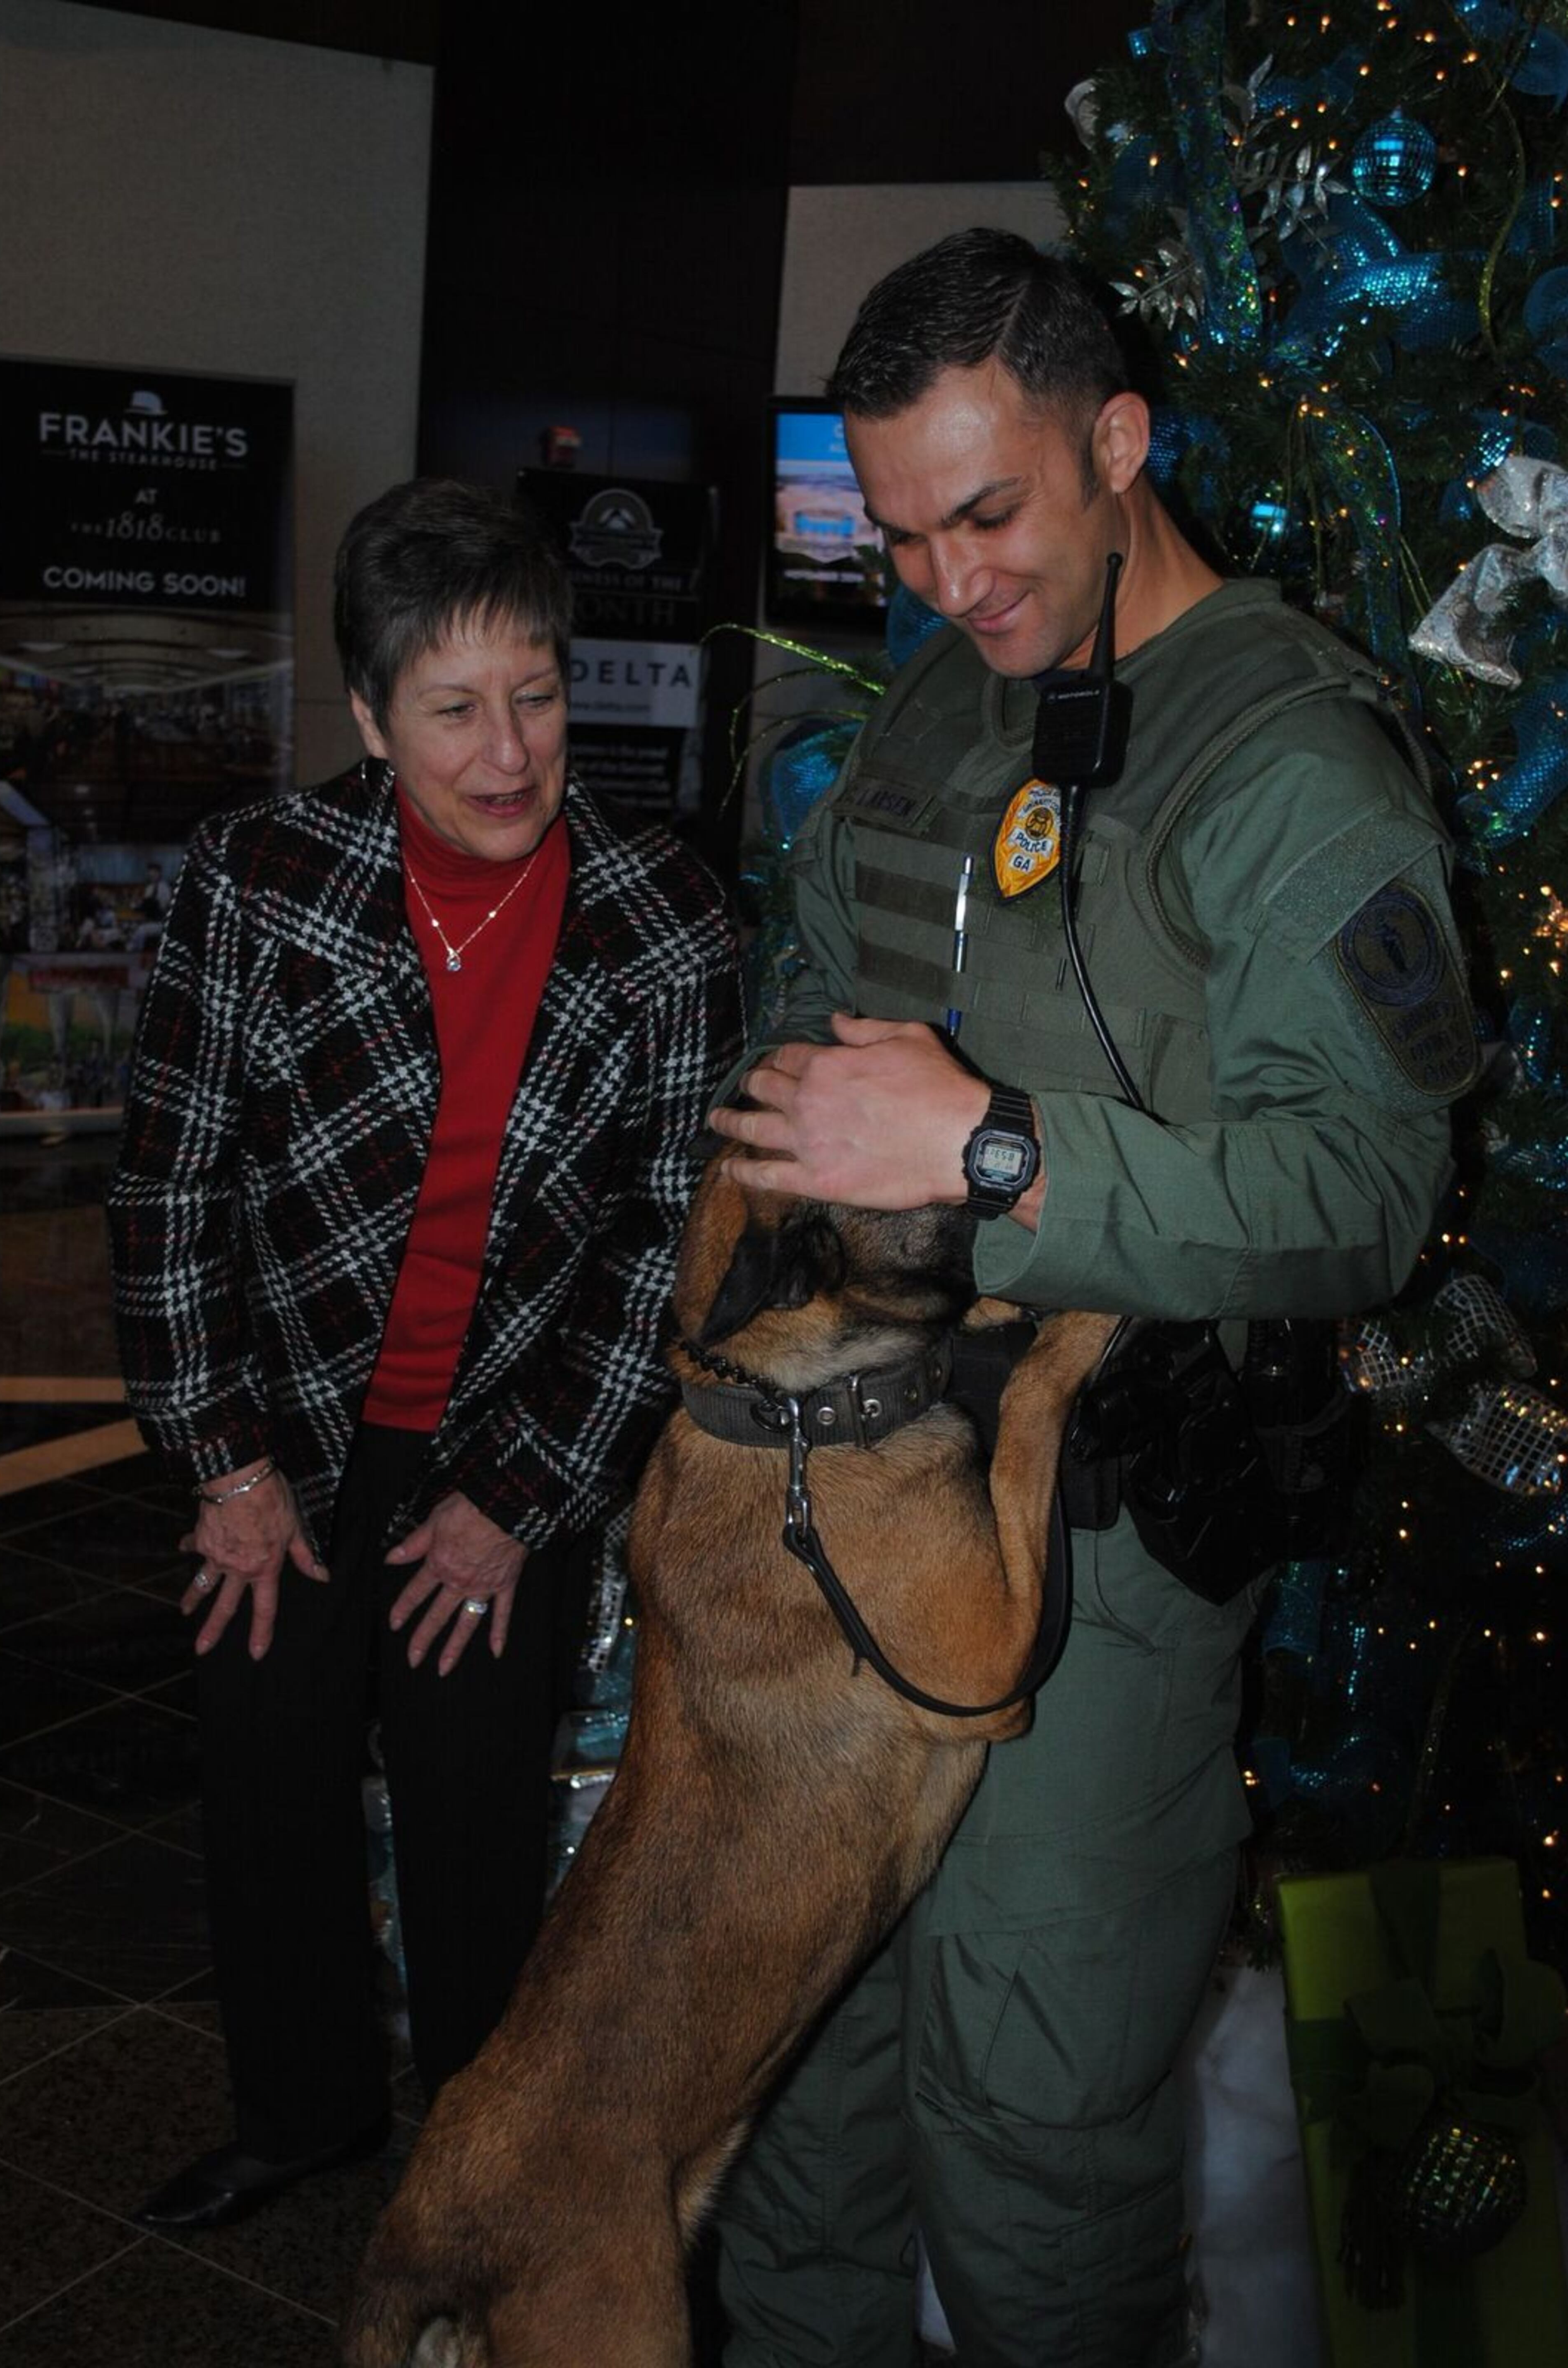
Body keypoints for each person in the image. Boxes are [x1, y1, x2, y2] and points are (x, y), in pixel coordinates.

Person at [707, 231, 1478, 2367]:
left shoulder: (1293, 762)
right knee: (801, 2100)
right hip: (850, 1517)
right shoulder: (959, 697)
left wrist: (991, 1157)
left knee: (1041, 2149)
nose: (950, 579)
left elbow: (1372, 1189)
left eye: (992, 512)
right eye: (904, 533)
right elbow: (813, 996)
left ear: (1120, 443)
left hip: (1097, 1565)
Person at [107, 476, 742, 2231]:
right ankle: (303, 2110)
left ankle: (485, 2158)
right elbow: (171, 1177)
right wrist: (218, 1462)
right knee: (267, 1778)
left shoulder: (666, 919)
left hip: (506, 1441)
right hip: (286, 1431)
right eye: (454, 708)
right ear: (375, 719)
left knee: (480, 1825)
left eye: (537, 695)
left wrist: (521, 1501)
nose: (509, 750)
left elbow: (656, 1257)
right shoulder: (259, 879)